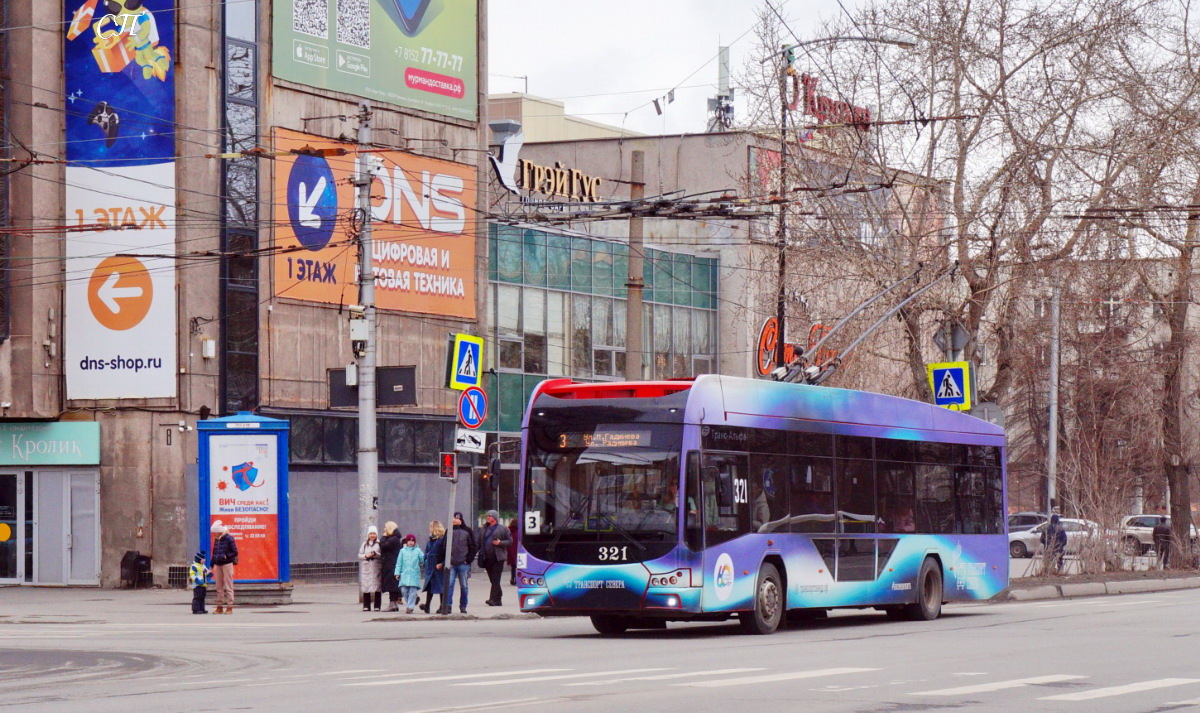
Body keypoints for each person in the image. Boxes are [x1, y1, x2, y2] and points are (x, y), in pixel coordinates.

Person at [477, 510, 512, 607]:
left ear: (495, 518)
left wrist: (500, 543)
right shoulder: (483, 529)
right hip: (486, 557)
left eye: (490, 516)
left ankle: (493, 599)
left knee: (496, 579)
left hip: (498, 558)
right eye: (487, 515)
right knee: (493, 579)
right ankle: (498, 599)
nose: (488, 517)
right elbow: (478, 543)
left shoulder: (503, 529)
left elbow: (510, 541)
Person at [446, 512, 476, 614]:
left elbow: (473, 546)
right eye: (454, 518)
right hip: (451, 562)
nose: (456, 520)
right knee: (450, 584)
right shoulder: (449, 531)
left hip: (463, 563)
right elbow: (444, 546)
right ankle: (448, 605)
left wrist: (468, 559)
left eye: (458, 518)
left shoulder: (467, 531)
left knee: (464, 585)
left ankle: (463, 606)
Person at [210, 521, 238, 614]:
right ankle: (219, 606)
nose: (213, 534)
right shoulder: (217, 539)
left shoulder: (229, 538)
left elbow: (235, 552)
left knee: (228, 585)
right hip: (218, 564)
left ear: (219, 531)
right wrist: (211, 565)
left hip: (227, 564)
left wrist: (226, 556)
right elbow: (214, 552)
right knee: (219, 586)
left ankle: (230, 606)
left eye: (214, 532)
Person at [420, 521, 447, 614]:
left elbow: (446, 554)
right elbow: (426, 551)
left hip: (438, 566)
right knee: (430, 586)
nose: (429, 528)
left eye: (431, 526)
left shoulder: (442, 540)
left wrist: (442, 563)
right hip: (430, 566)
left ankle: (442, 606)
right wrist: (425, 559)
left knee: (441, 587)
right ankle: (427, 606)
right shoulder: (430, 539)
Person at [394, 533, 425, 614]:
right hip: (404, 574)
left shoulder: (418, 550)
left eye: (412, 541)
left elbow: (422, 559)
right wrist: (397, 573)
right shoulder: (402, 551)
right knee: (404, 591)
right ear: (406, 542)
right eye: (409, 541)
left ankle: (410, 607)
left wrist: (424, 558)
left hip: (414, 574)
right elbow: (399, 563)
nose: (411, 542)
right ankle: (410, 603)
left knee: (412, 591)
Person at [378, 522, 403, 612]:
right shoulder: (395, 538)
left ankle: (392, 604)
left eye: (385, 527)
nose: (384, 529)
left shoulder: (392, 539)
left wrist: (383, 537)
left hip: (391, 564)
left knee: (392, 585)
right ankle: (394, 604)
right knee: (393, 584)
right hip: (392, 563)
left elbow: (383, 546)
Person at [358, 525, 382, 611]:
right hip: (367, 567)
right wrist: (366, 556)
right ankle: (366, 605)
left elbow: (382, 555)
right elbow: (359, 555)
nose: (372, 535)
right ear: (368, 535)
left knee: (377, 586)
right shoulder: (364, 544)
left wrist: (376, 554)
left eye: (374, 533)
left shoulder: (379, 543)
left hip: (376, 567)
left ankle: (377, 606)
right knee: (366, 586)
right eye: (371, 533)